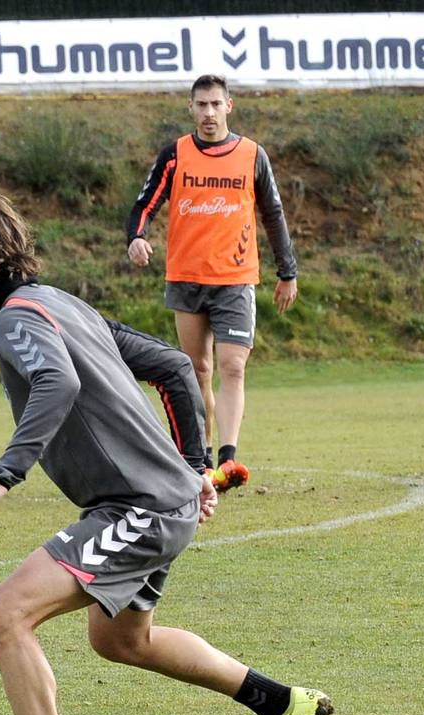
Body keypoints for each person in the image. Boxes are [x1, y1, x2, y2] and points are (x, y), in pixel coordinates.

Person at [0, 191, 331, 715]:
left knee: (6, 614)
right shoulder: (63, 303)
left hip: (138, 507)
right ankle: (287, 706)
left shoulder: (15, 317)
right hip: (151, 501)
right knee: (120, 641)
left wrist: (3, 476)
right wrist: (196, 467)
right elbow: (173, 366)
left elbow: (58, 383)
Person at [125, 73, 299, 491]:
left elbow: (272, 214)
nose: (208, 112)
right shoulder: (175, 155)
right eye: (201, 105)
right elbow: (144, 203)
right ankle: (202, 460)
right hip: (186, 277)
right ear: (191, 108)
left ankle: (229, 458)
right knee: (197, 370)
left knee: (232, 366)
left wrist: (286, 271)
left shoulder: (252, 155)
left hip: (235, 279)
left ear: (229, 106)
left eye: (215, 104)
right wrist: (136, 237)